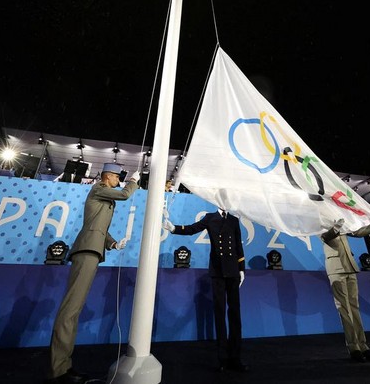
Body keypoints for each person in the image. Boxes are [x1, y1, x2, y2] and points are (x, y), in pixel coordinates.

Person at [45, 163, 140, 384]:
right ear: (108, 177)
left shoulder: (103, 198)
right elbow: (125, 195)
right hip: (86, 250)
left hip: (93, 250)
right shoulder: (98, 188)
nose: (119, 180)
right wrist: (134, 182)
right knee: (70, 310)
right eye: (117, 177)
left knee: (74, 310)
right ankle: (57, 370)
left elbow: (100, 228)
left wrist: (114, 244)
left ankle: (63, 366)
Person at [163, 207, 248, 372]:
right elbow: (193, 229)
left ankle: (235, 357)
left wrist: (241, 268)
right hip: (217, 271)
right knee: (219, 313)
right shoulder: (210, 218)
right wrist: (174, 228)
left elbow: (238, 245)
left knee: (235, 314)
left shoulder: (234, 220)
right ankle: (223, 358)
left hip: (232, 271)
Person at [319, 218, 370, 362]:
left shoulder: (341, 222)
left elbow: (356, 232)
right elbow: (325, 237)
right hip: (336, 269)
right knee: (344, 309)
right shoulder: (321, 223)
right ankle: (354, 348)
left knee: (354, 308)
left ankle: (363, 346)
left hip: (350, 267)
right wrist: (335, 228)